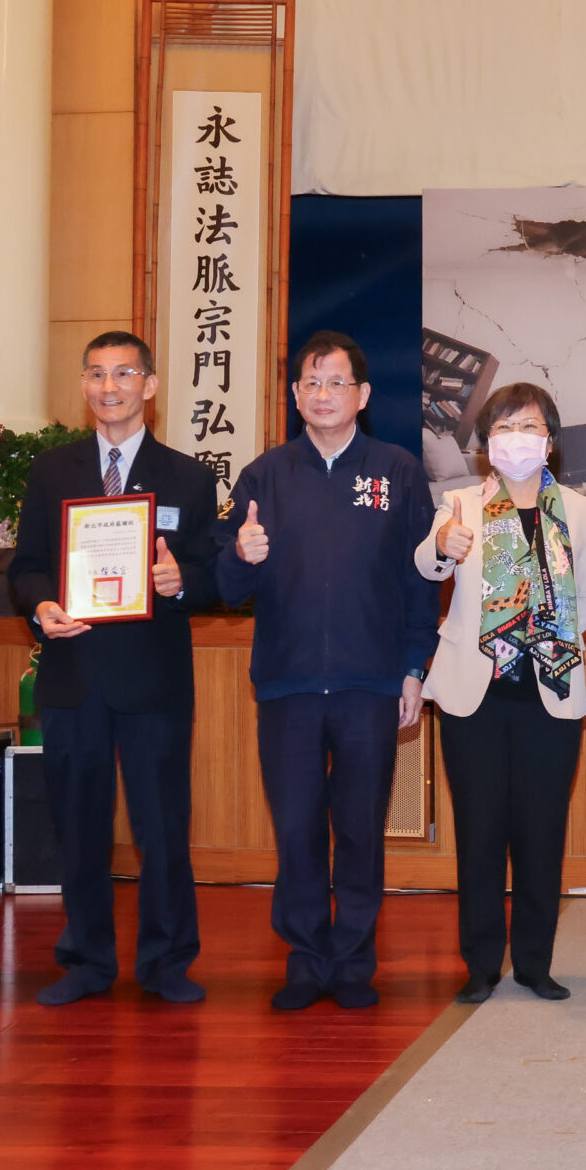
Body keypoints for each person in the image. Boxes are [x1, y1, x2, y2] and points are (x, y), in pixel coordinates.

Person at [215, 329, 438, 1011]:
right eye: (311, 383)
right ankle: (307, 960)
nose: (322, 394)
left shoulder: (397, 470)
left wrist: (413, 666)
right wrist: (242, 554)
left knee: (361, 828)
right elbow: (226, 589)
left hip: (373, 682)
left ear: (362, 395)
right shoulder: (264, 476)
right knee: (297, 827)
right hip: (288, 684)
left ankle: (353, 961)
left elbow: (420, 579)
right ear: (294, 394)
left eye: (336, 382)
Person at [6, 331, 222, 1006]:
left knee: (163, 830)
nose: (109, 387)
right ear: (84, 386)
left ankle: (166, 963)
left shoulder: (188, 475)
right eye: (97, 374)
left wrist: (180, 580)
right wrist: (41, 603)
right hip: (73, 675)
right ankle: (86, 961)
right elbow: (25, 566)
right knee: (79, 828)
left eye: (124, 373)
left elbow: (214, 575)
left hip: (154, 681)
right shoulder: (52, 472)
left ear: (149, 385)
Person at [415, 382, 586, 1005]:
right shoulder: (459, 503)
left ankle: (535, 963)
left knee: (542, 832)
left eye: (529, 426)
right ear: (485, 443)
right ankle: (481, 963)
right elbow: (427, 565)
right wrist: (443, 547)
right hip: (475, 696)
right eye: (503, 427)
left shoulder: (579, 510)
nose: (516, 438)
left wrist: (552, 635)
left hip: (550, 691)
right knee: (480, 832)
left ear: (550, 440)